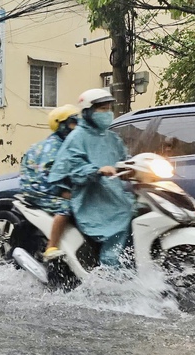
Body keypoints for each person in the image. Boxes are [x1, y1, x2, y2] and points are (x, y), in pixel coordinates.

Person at [48, 89, 135, 267]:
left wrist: (134, 169)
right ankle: (110, 269)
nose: (107, 113)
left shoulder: (112, 137)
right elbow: (73, 167)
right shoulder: (77, 137)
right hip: (91, 198)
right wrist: (96, 171)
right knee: (119, 221)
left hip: (114, 193)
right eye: (102, 109)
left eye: (109, 108)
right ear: (88, 111)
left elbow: (125, 160)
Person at [20, 104, 78, 260]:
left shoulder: (64, 143)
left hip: (42, 187)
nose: (76, 126)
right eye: (72, 123)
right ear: (60, 125)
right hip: (40, 190)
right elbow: (50, 176)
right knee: (66, 206)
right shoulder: (54, 147)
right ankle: (51, 247)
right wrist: (63, 192)